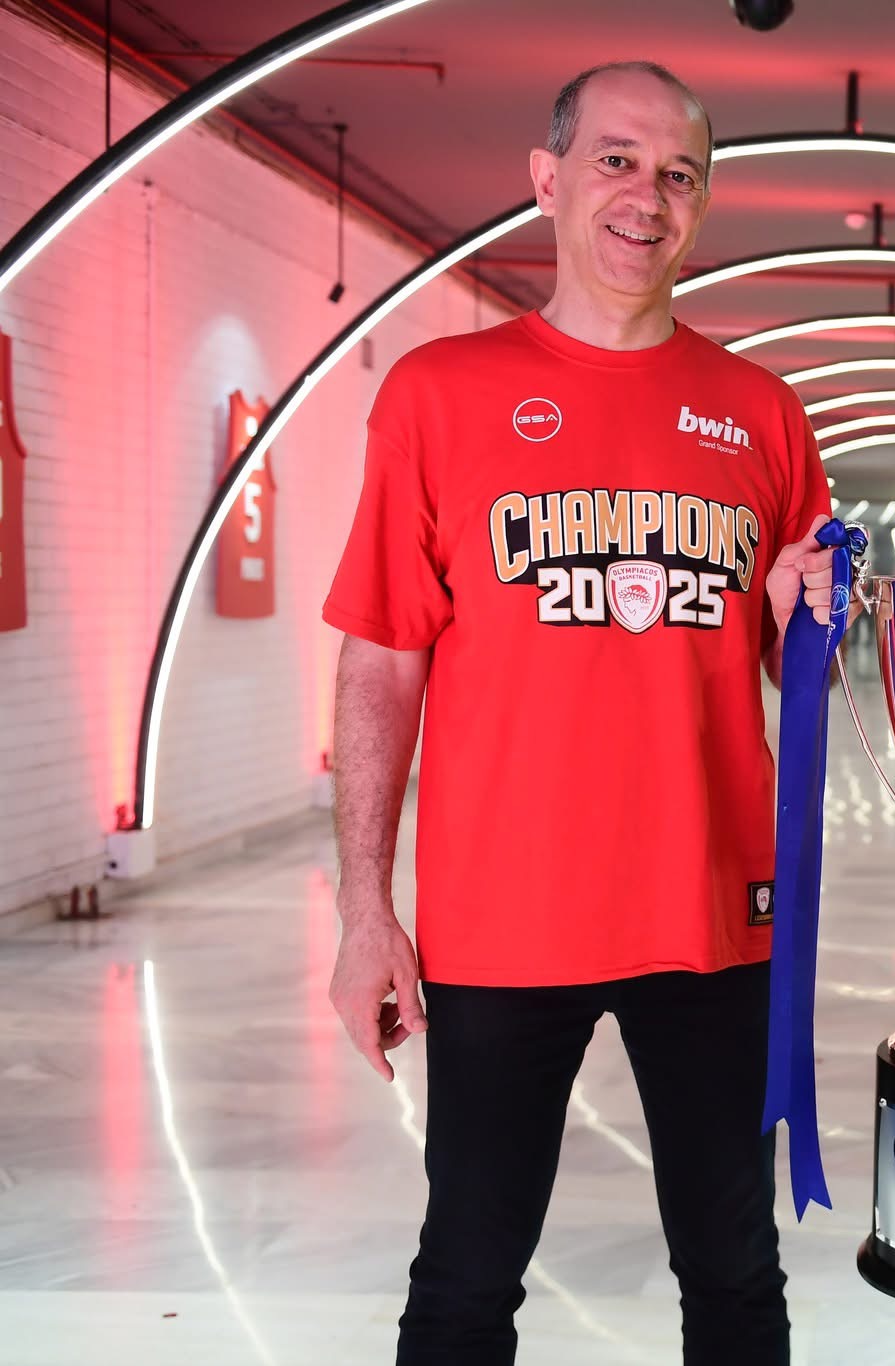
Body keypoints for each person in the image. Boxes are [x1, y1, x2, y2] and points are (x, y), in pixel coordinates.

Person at [321, 61, 835, 1366]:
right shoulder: (438, 394)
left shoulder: (762, 415)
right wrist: (365, 910)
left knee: (735, 1273)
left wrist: (807, 623)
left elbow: (802, 674)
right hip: (504, 916)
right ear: (547, 181)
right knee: (465, 1274)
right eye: (617, 161)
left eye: (679, 173)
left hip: (712, 912)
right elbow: (381, 662)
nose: (647, 197)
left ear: (703, 204)